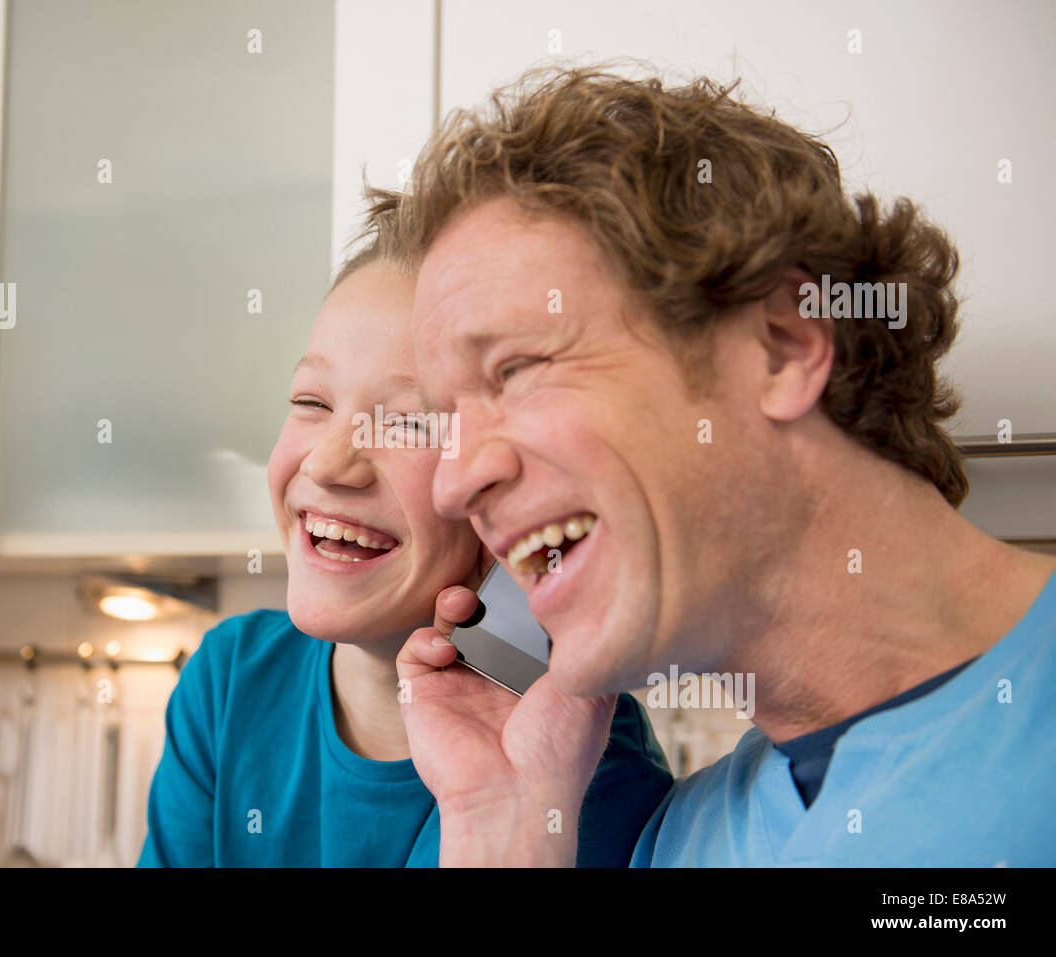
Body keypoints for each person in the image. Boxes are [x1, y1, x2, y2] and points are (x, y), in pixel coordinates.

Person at [392, 65, 1056, 865]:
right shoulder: (680, 843)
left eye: (515, 370)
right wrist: (506, 816)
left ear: (782, 347)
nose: (452, 482)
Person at [137, 190, 672, 866]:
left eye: (410, 424)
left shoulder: (570, 767)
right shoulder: (231, 679)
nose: (331, 462)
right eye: (311, 401)